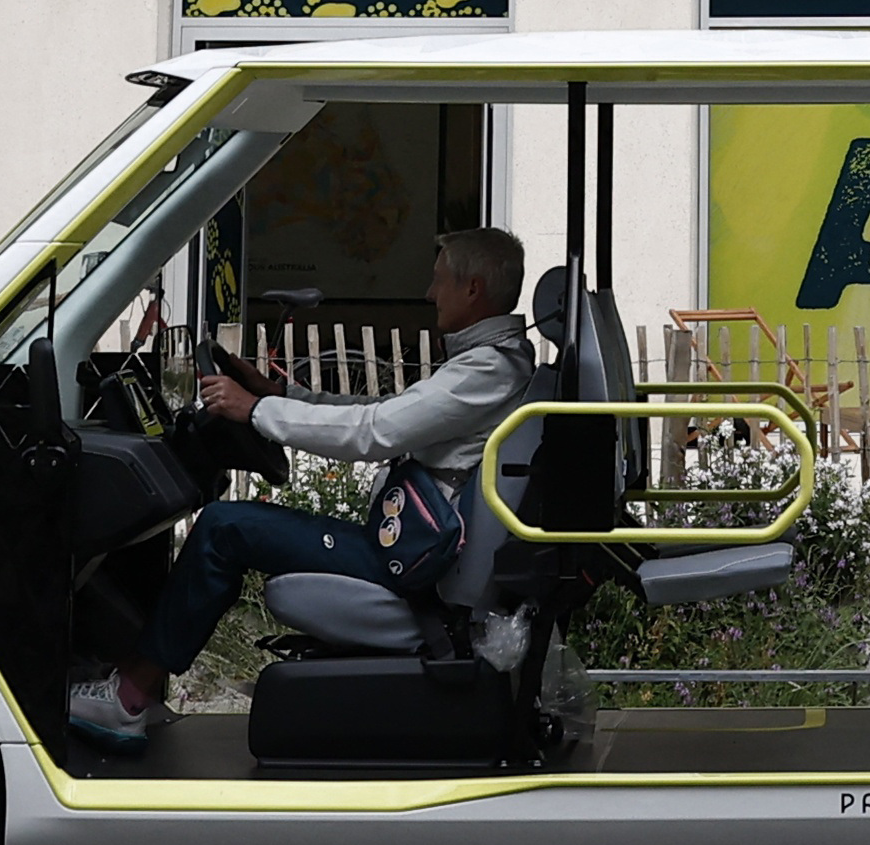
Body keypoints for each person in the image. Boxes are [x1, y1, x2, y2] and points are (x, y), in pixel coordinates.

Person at [69, 224, 535, 745]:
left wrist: (256, 410)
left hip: (414, 569)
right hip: (405, 551)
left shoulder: (488, 370)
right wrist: (279, 394)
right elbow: (381, 410)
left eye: (438, 280)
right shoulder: (488, 363)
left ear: (472, 289)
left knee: (223, 526)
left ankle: (128, 697)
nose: (429, 294)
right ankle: (136, 684)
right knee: (229, 524)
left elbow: (374, 432)